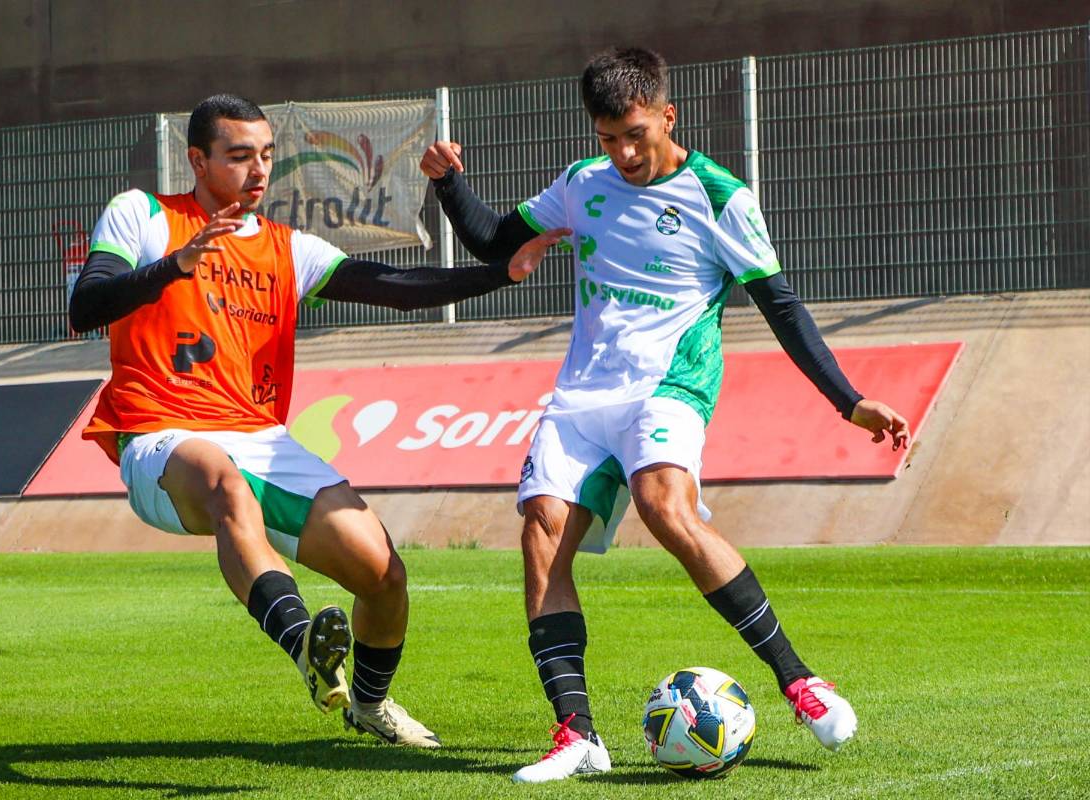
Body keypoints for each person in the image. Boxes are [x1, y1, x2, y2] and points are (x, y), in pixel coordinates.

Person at [420, 47, 910, 782]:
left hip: (669, 385)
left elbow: (780, 305)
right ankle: (578, 737)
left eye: (635, 134)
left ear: (667, 116)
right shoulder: (584, 183)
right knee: (541, 531)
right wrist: (450, 184)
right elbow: (497, 241)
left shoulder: (720, 196)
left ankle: (802, 683)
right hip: (583, 392)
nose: (622, 153)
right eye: (607, 137)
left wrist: (847, 400)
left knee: (664, 505)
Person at [70, 93, 568, 749]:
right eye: (239, 156)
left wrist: (498, 272)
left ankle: (368, 703)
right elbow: (87, 306)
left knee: (384, 576)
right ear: (197, 159)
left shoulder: (286, 248)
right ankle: (304, 642)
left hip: (260, 439)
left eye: (267, 155)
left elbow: (391, 286)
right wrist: (174, 266)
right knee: (223, 482)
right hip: (159, 435)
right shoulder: (144, 215)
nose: (258, 171)